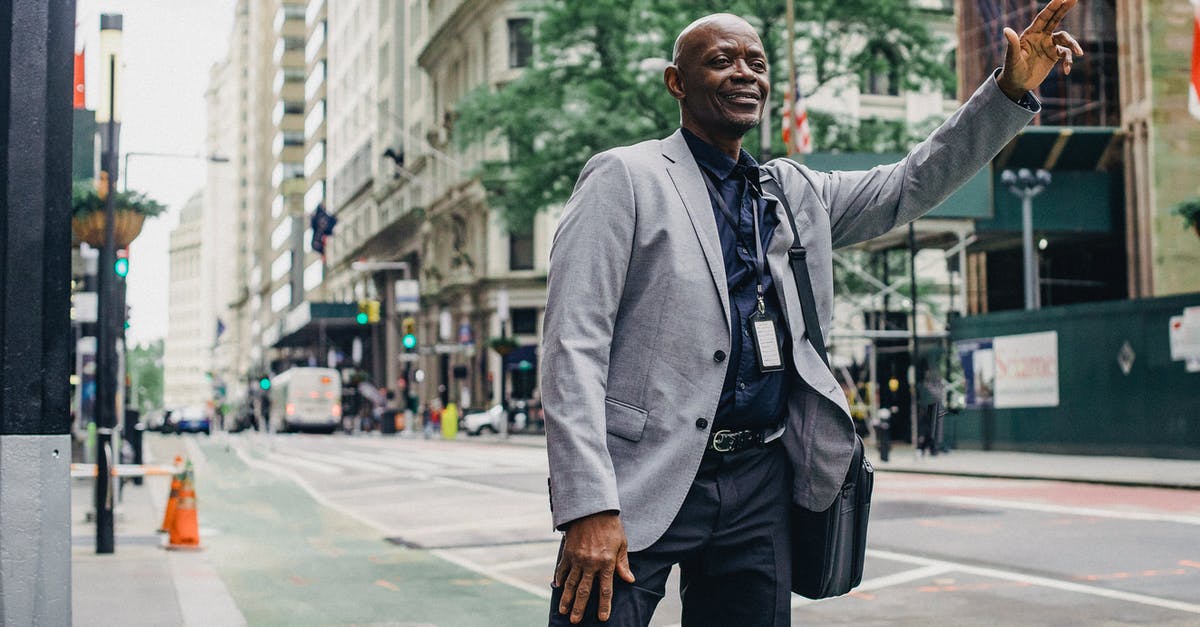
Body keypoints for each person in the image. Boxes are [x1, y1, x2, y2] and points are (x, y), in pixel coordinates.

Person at [541, 2, 1083, 625]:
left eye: (757, 62)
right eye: (721, 61)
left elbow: (911, 182)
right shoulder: (624, 177)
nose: (745, 73)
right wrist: (588, 504)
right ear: (677, 82)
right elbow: (572, 346)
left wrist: (1008, 91)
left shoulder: (792, 192)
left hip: (759, 479)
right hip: (642, 477)